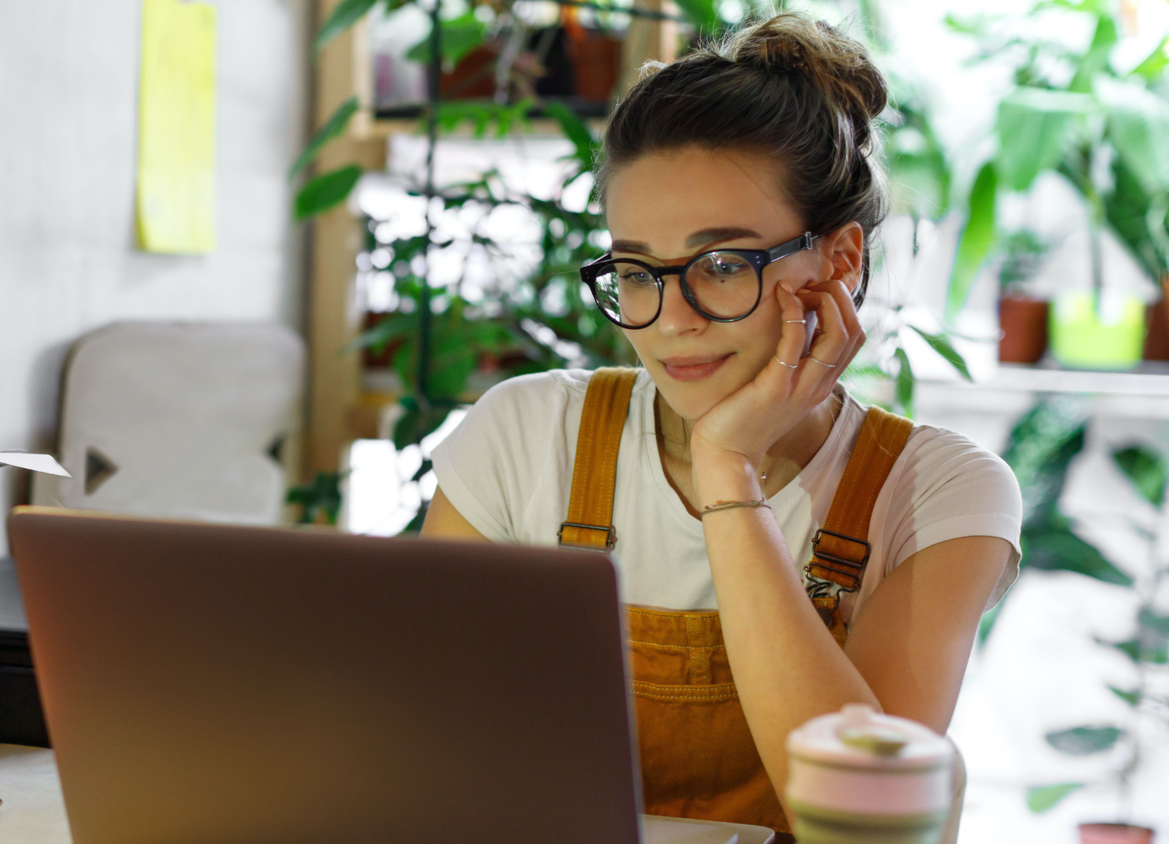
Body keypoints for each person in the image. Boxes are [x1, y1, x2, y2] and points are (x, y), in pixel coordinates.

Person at [422, 12, 1022, 839]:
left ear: (839, 260)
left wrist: (728, 471)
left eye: (722, 265)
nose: (670, 319)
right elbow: (415, 749)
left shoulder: (938, 493)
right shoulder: (528, 433)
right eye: (637, 271)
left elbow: (868, 827)